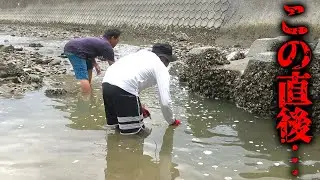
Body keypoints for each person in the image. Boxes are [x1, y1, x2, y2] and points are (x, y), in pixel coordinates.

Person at [102, 43, 181, 136]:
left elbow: (130, 80)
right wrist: (172, 121)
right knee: (135, 135)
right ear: (163, 58)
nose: (168, 65)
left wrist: (138, 107)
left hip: (106, 84)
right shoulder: (160, 67)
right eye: (168, 61)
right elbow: (165, 102)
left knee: (115, 129)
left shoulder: (140, 55)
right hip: (124, 89)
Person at [63, 29, 121, 95]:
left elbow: (88, 50)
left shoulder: (101, 41)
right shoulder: (107, 46)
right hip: (73, 50)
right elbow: (113, 67)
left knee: (89, 69)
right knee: (83, 76)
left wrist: (95, 64)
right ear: (113, 38)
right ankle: (86, 100)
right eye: (118, 40)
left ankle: (88, 90)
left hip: (77, 47)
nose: (117, 42)